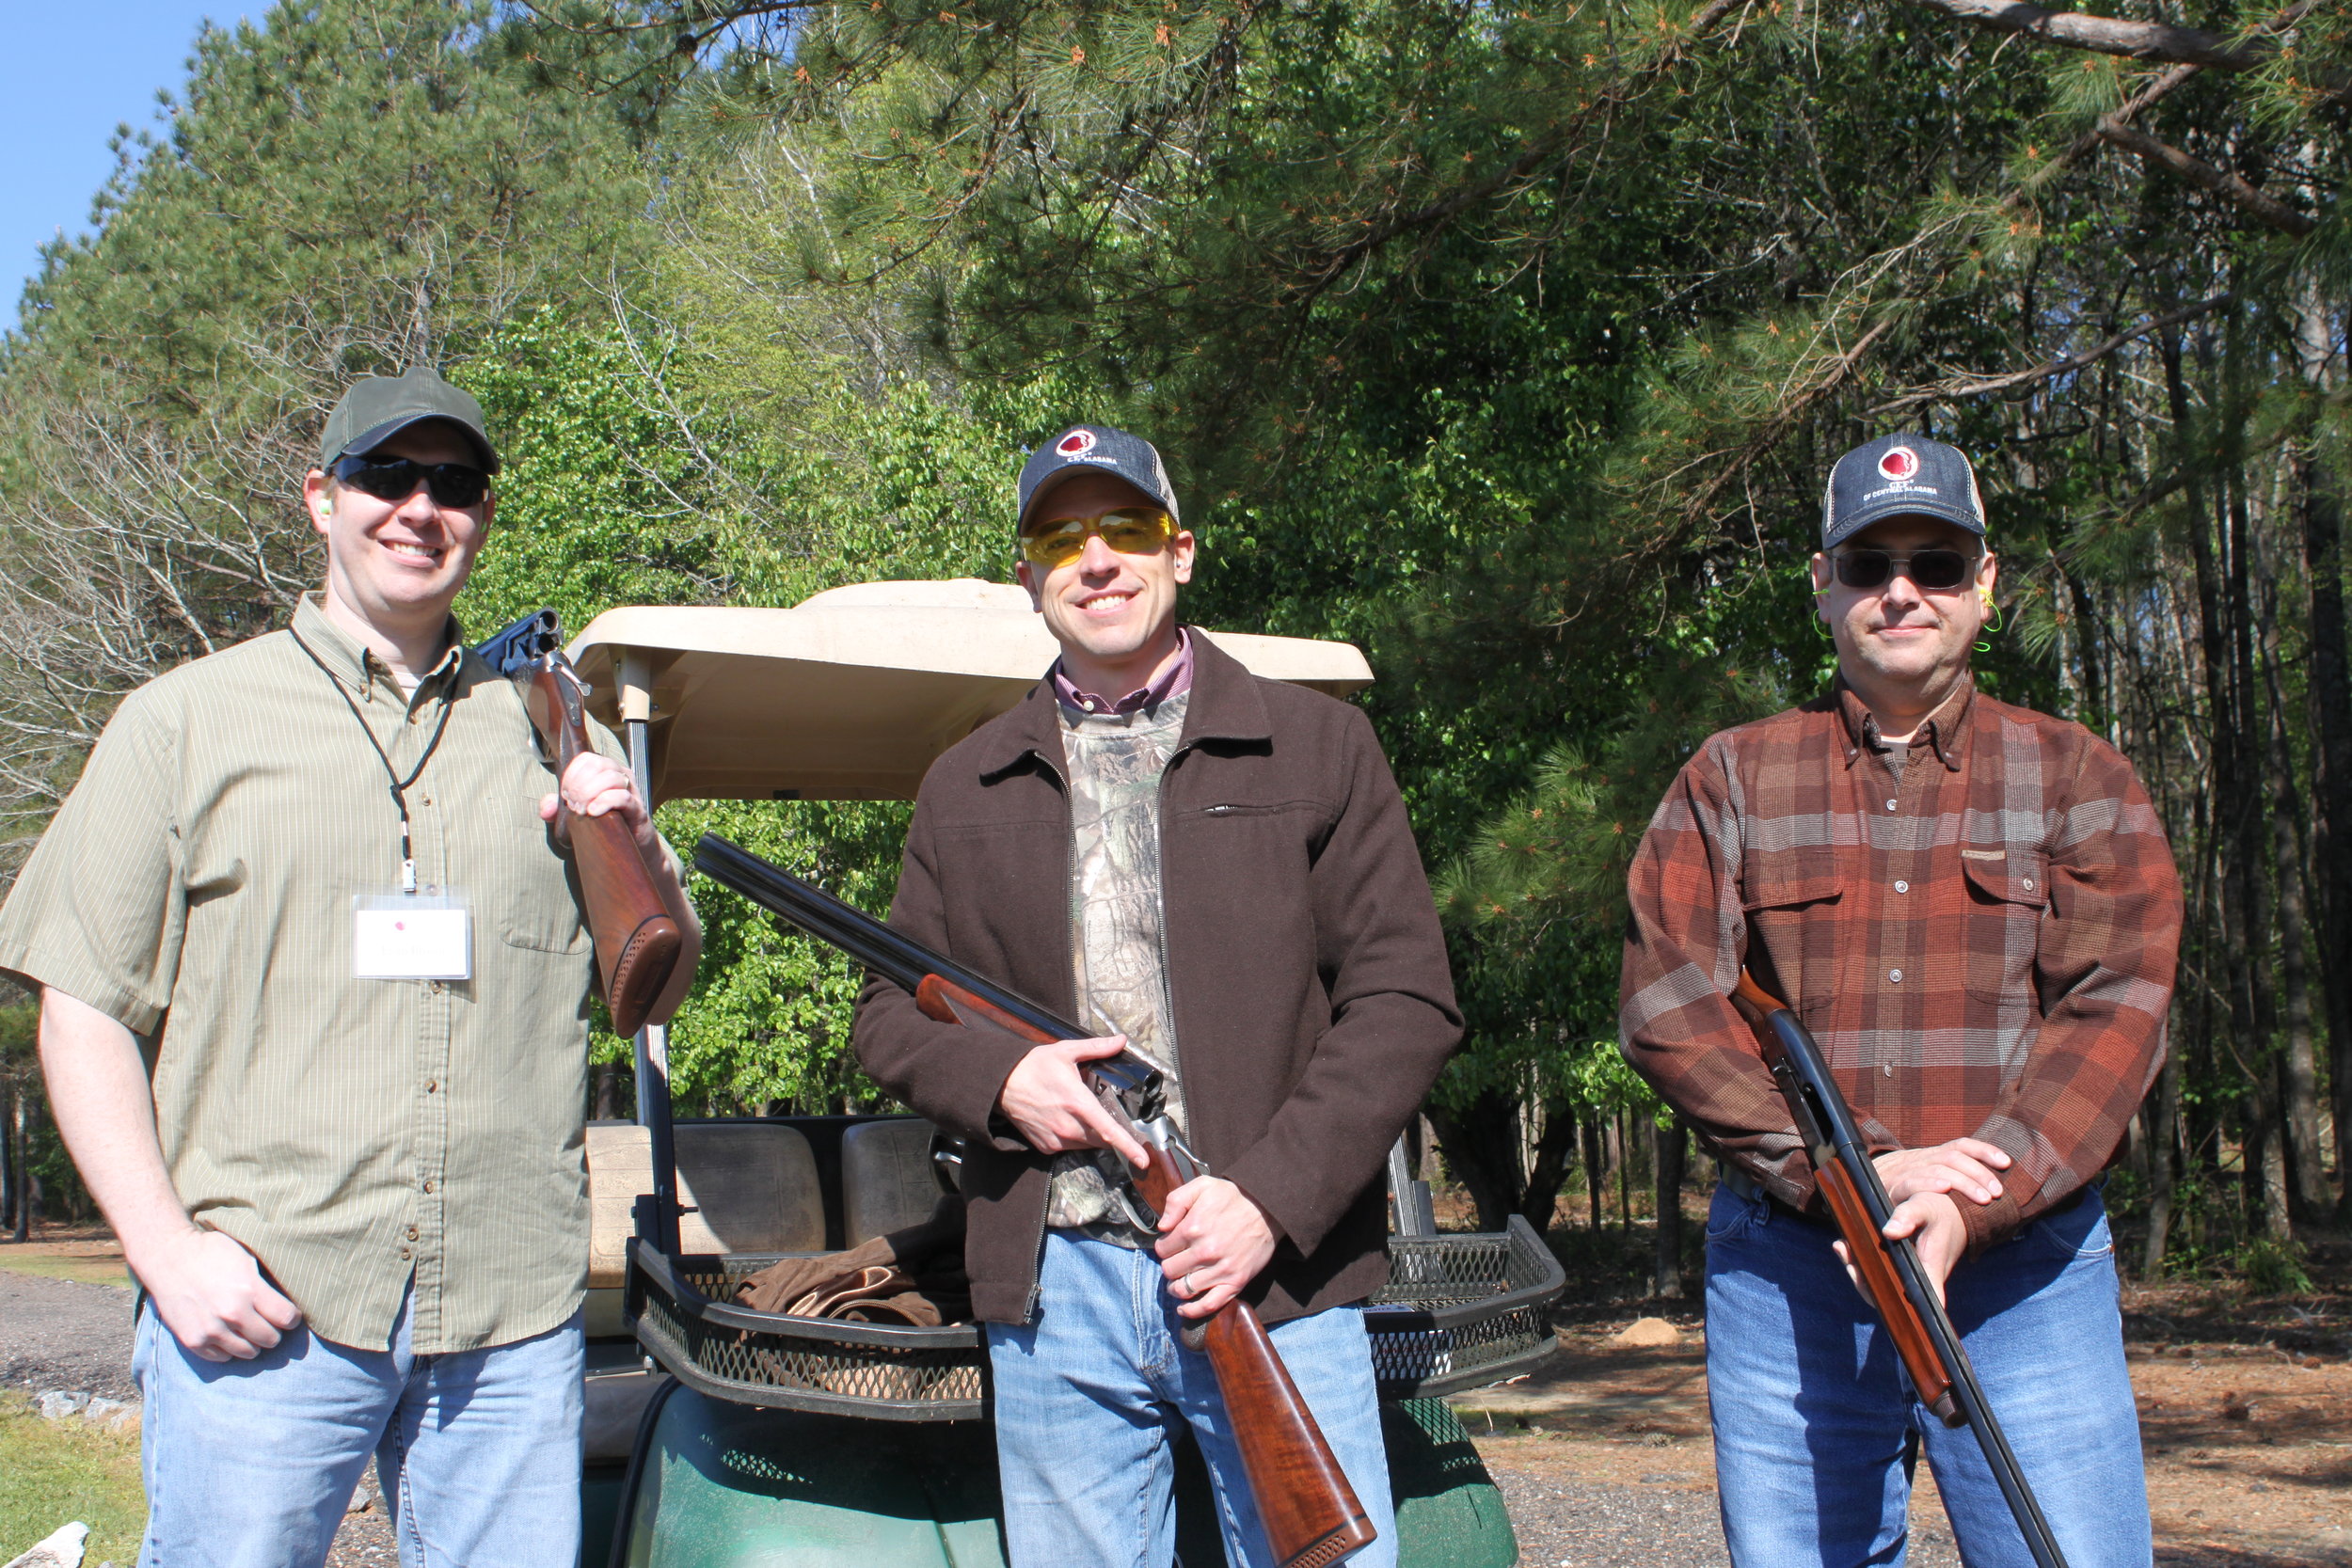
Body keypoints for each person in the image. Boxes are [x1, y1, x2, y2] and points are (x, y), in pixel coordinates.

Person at [0, 365, 701, 1568]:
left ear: (482, 514)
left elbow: (662, 987)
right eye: (387, 474)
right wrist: (165, 1252)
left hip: (509, 1316)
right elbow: (82, 1005)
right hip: (267, 1306)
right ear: (322, 496)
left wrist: (634, 842)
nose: (420, 507)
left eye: (456, 483)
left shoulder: (548, 728)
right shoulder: (183, 722)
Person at [852, 423, 1461, 1567]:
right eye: (1060, 535)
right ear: (1027, 576)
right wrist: (1003, 1079)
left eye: (1125, 528)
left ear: (1179, 551)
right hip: (1056, 1288)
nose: (1097, 559)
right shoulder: (960, 782)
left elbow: (1405, 999)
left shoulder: (1319, 747)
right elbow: (889, 1011)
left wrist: (1265, 1201)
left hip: (1275, 1276)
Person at [1619, 433, 2183, 1567]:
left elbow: (2118, 1007)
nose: (1900, 590)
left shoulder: (2077, 774)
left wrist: (1983, 1190)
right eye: (1869, 563)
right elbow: (1668, 999)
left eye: (1934, 560)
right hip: (1792, 1262)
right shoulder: (1729, 775)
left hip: (2028, 1266)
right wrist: (1854, 1169)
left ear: (1986, 586)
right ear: (1822, 584)